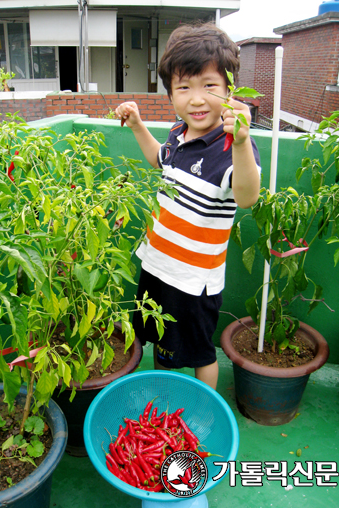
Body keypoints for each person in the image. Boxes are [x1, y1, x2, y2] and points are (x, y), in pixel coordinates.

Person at [115, 22, 261, 391]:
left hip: (194, 283)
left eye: (210, 86)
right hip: (157, 265)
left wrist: (242, 141)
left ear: (231, 91)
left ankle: (200, 413)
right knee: (161, 343)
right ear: (171, 95)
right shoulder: (177, 135)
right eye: (184, 87)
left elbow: (247, 196)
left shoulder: (231, 146)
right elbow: (158, 161)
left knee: (199, 353)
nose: (196, 99)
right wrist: (137, 126)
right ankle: (164, 400)